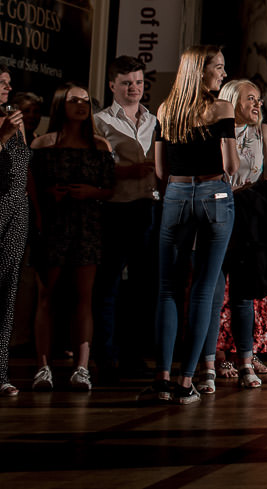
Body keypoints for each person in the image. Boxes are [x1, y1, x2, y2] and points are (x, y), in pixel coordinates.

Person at [145, 45, 238, 404]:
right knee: (204, 288)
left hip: (177, 196)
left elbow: (159, 170)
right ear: (200, 71)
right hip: (215, 195)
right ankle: (187, 382)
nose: (224, 74)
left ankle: (162, 379)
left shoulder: (166, 109)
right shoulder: (221, 108)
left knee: (168, 288)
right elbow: (231, 165)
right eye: (219, 67)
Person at [30, 84, 115, 392]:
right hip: (52, 225)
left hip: (87, 225)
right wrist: (46, 198)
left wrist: (90, 192)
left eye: (85, 101)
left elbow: (109, 188)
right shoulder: (42, 144)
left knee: (84, 298)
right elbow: (30, 188)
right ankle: (42, 368)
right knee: (46, 297)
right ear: (59, 105)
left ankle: (81, 367)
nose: (82, 105)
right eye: (74, 100)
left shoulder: (99, 145)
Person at [92, 55, 160, 382]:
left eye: (138, 82)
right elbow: (96, 168)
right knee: (109, 283)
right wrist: (126, 170)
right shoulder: (100, 121)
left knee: (144, 285)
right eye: (127, 83)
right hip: (117, 207)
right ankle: (106, 356)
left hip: (149, 207)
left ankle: (135, 355)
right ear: (112, 85)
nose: (134, 88)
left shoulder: (154, 120)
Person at [212, 79, 267, 389]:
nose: (257, 105)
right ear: (230, 101)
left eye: (259, 99)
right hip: (217, 211)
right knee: (214, 292)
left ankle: (244, 358)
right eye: (249, 99)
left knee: (242, 294)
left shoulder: (263, 133)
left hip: (250, 215)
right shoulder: (215, 131)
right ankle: (212, 358)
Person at [0, 69, 30, 395]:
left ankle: (0, 372)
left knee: (7, 292)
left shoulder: (14, 120)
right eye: (2, 82)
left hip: (16, 210)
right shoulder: (6, 126)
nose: (9, 87)